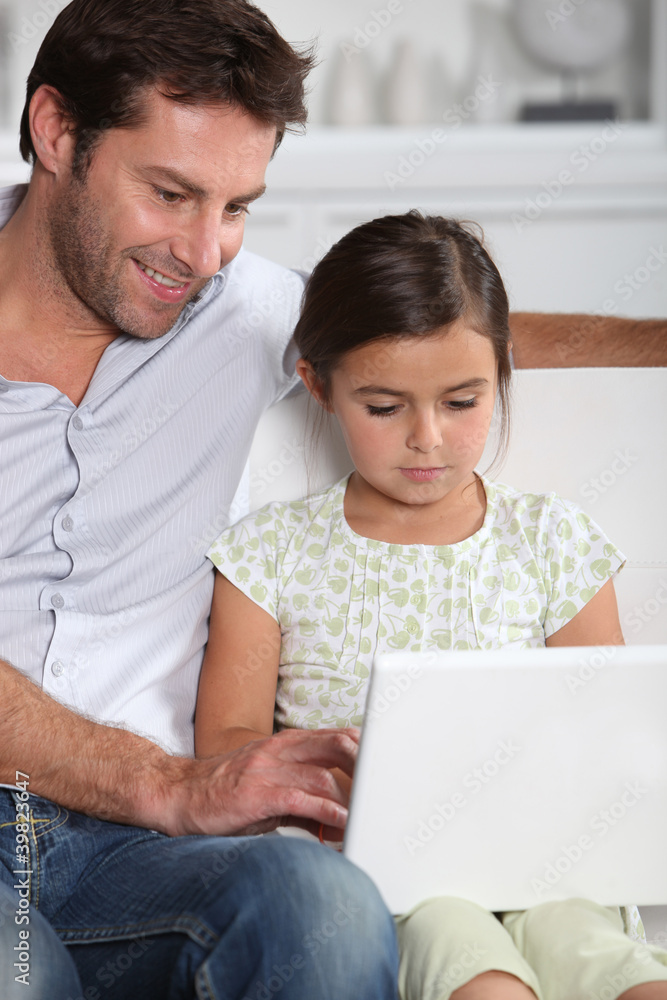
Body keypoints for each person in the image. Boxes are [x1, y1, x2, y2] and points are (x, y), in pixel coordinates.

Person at [0, 1, 400, 997]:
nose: (206, 250)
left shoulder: (243, 308)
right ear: (57, 132)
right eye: (171, 193)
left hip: (140, 854)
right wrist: (174, 783)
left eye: (237, 205)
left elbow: (450, 345)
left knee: (323, 905)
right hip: (142, 801)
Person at [196, 211, 667, 1000]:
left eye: (461, 402)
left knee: (611, 967)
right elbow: (226, 743)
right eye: (383, 408)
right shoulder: (267, 556)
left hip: (549, 862)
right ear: (319, 387)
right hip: (394, 876)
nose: (427, 439)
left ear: (501, 377)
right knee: (478, 976)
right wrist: (338, 780)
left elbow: (610, 728)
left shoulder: (551, 540)